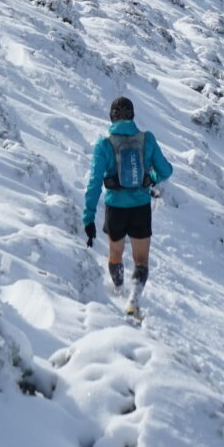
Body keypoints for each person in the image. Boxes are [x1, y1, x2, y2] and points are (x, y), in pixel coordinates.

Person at [81, 95, 173, 299]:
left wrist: (88, 218)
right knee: (141, 259)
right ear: (132, 116)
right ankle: (134, 297)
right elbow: (166, 171)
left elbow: (94, 183)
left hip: (115, 209)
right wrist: (151, 178)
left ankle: (119, 289)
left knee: (115, 254)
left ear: (111, 118)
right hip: (140, 208)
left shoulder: (104, 144)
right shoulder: (147, 139)